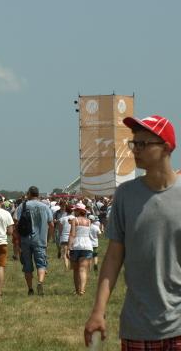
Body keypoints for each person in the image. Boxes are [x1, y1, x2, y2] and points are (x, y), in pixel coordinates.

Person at [85, 115, 181, 348]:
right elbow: (113, 257)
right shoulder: (125, 195)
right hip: (137, 326)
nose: (135, 150)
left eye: (142, 144)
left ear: (166, 147)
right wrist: (98, 310)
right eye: (133, 143)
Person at [16, 186, 54, 296]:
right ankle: (40, 282)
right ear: (38, 194)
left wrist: (18, 239)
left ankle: (30, 289)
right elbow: (51, 224)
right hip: (40, 240)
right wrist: (48, 238)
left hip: (25, 239)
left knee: (27, 266)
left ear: (29, 194)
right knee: (41, 264)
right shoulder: (45, 207)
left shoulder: (23, 206)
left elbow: (16, 222)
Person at [67, 203, 93, 296]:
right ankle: (82, 290)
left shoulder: (75, 220)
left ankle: (77, 290)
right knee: (83, 269)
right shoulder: (89, 221)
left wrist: (68, 247)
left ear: (78, 211)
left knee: (76, 270)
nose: (74, 211)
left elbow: (72, 234)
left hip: (76, 245)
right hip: (87, 246)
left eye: (75, 210)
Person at [58, 206, 74, 270]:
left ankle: (66, 267)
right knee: (71, 252)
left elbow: (60, 230)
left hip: (64, 236)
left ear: (66, 211)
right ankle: (72, 267)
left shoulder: (62, 219)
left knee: (65, 253)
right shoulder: (75, 218)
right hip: (73, 237)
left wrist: (60, 236)